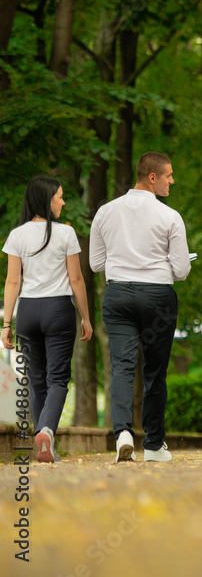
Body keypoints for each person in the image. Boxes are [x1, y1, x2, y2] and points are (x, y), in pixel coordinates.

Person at [91, 152, 191, 463]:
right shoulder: (169, 217)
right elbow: (182, 270)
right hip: (157, 297)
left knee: (121, 366)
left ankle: (122, 432)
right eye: (168, 176)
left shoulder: (105, 212)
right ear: (152, 177)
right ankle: (153, 445)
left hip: (118, 294)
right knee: (154, 372)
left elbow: (96, 263)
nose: (172, 181)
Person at [2, 177, 93, 463]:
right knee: (58, 379)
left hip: (27, 312)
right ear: (47, 199)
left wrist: (7, 323)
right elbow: (76, 279)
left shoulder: (17, 235)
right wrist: (86, 318)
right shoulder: (66, 234)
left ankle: (44, 440)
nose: (63, 202)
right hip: (57, 311)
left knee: (36, 379)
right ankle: (47, 431)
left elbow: (12, 282)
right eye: (60, 197)